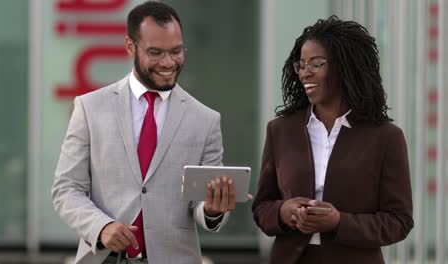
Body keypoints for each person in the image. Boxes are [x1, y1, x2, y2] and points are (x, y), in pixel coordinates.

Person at [52, 2, 239, 263]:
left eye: (176, 51)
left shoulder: (205, 120)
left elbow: (200, 206)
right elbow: (66, 188)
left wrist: (212, 209)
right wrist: (102, 227)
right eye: (156, 52)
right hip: (104, 258)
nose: (168, 62)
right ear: (130, 47)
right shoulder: (90, 107)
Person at [252, 16, 413, 264]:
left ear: (345, 66)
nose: (305, 73)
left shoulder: (385, 137)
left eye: (316, 64)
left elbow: (399, 221)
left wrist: (339, 222)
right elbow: (262, 206)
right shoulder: (280, 130)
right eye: (301, 65)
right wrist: (284, 212)